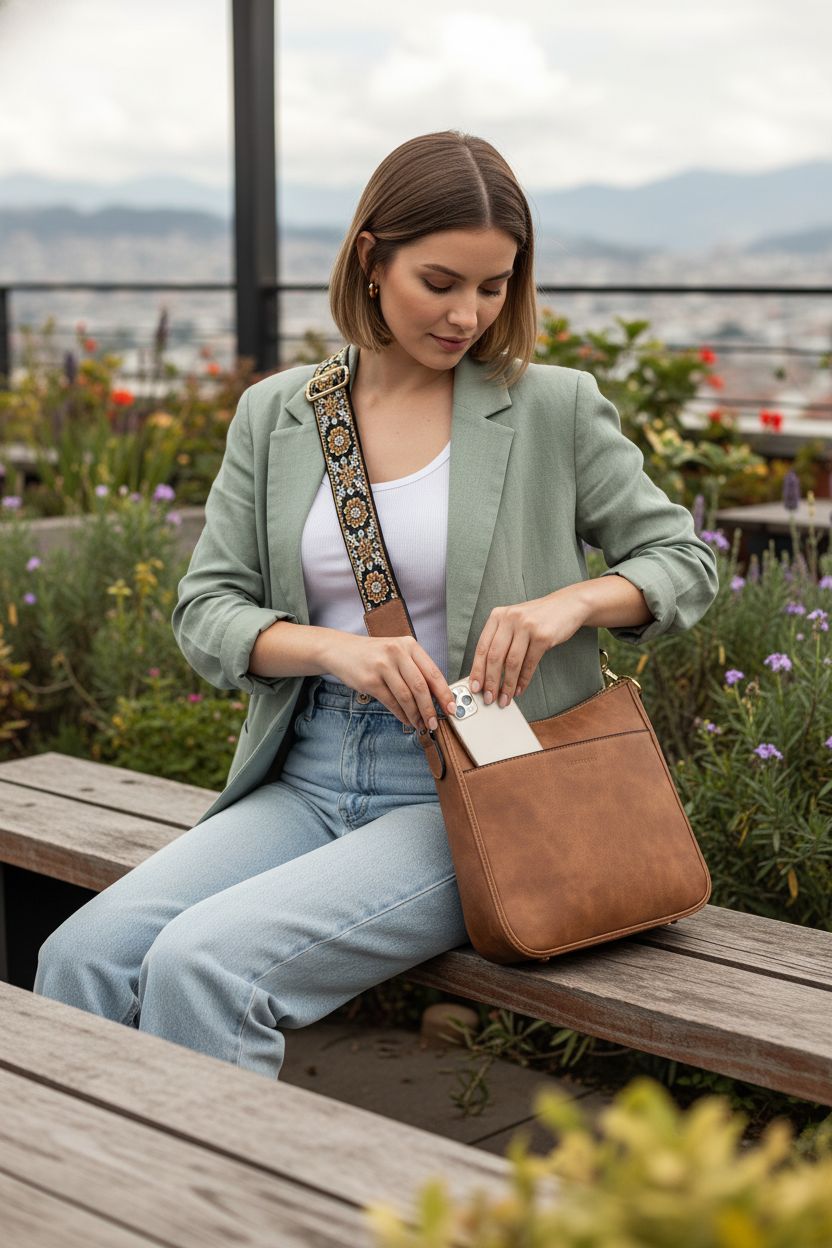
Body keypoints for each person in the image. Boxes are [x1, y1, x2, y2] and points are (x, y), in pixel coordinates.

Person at [33, 130, 719, 1080]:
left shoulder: (552, 407)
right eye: (440, 282)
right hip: (308, 774)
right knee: (80, 956)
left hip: (479, 789)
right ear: (371, 258)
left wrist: (569, 604)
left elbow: (682, 561)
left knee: (208, 968)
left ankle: (208, 1179)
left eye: (494, 287)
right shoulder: (279, 412)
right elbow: (207, 608)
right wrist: (331, 649)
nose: (468, 314)